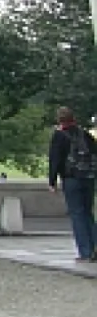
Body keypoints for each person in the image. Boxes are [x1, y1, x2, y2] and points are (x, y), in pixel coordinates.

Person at [48, 106, 97, 262]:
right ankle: (95, 247)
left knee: (77, 214)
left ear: (59, 119)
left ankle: (85, 252)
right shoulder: (85, 134)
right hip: (88, 177)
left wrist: (52, 181)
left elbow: (55, 160)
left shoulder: (59, 135)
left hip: (71, 178)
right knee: (88, 213)